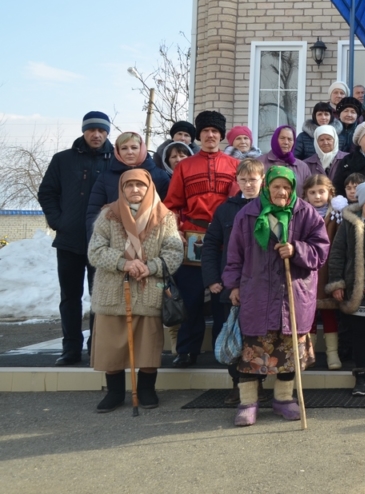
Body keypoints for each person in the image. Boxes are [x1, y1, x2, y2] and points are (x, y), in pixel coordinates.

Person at [223, 166, 330, 424]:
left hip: (292, 293)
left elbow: (321, 251)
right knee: (250, 353)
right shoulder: (247, 214)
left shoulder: (305, 213)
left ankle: (284, 399)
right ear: (267, 187)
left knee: (288, 351)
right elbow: (234, 254)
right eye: (276, 186)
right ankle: (248, 403)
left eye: (286, 187)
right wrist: (234, 285)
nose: (281, 191)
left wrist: (296, 250)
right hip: (256, 292)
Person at [87, 169, 182, 412]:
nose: (135, 190)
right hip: (112, 291)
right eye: (129, 185)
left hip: (148, 289)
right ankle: (116, 392)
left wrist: (149, 267)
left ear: (149, 187)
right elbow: (95, 251)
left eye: (140, 185)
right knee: (112, 346)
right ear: (122, 188)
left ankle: (147, 390)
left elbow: (174, 253)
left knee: (148, 345)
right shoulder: (108, 215)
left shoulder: (165, 216)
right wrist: (124, 263)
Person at [162, 110, 239, 368]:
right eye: (205, 131)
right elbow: (171, 205)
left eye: (215, 132)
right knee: (191, 296)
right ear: (199, 135)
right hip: (193, 237)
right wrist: (177, 231)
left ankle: (222, 348)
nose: (210, 135)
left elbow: (239, 204)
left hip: (224, 240)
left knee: (222, 298)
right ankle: (186, 350)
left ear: (221, 136)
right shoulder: (184, 167)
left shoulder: (234, 166)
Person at [38, 111, 114, 366]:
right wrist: (58, 221)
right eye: (91, 130)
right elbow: (47, 192)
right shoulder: (63, 160)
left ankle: (97, 346)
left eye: (101, 130)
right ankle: (70, 348)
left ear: (107, 133)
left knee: (100, 298)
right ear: (84, 131)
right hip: (69, 241)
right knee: (70, 297)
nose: (96, 134)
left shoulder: (115, 160)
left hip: (102, 244)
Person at [202, 158, 265, 402]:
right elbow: (210, 245)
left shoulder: (268, 207)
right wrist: (212, 279)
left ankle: (258, 384)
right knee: (233, 332)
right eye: (243, 180)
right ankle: (237, 384)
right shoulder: (225, 209)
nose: (248, 184)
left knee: (258, 336)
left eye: (253, 179)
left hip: (260, 284)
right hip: (231, 285)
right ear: (236, 180)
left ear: (262, 180)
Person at [86, 131, 170, 241]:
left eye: (134, 147)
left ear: (142, 149)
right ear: (118, 152)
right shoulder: (105, 177)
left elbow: (168, 211)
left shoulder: (160, 176)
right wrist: (96, 243)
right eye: (124, 148)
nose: (129, 152)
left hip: (151, 240)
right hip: (115, 240)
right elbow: (94, 212)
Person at [301, 173, 341, 367]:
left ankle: (333, 353)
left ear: (330, 193)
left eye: (321, 192)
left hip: (328, 270)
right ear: (306, 195)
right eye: (312, 192)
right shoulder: (300, 214)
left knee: (328, 312)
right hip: (307, 270)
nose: (317, 196)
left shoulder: (337, 215)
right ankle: (308, 354)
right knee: (308, 314)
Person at [258, 124, 312, 191]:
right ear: (275, 140)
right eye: (282, 138)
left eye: (289, 139)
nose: (286, 142)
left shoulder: (302, 167)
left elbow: (309, 193)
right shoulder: (260, 162)